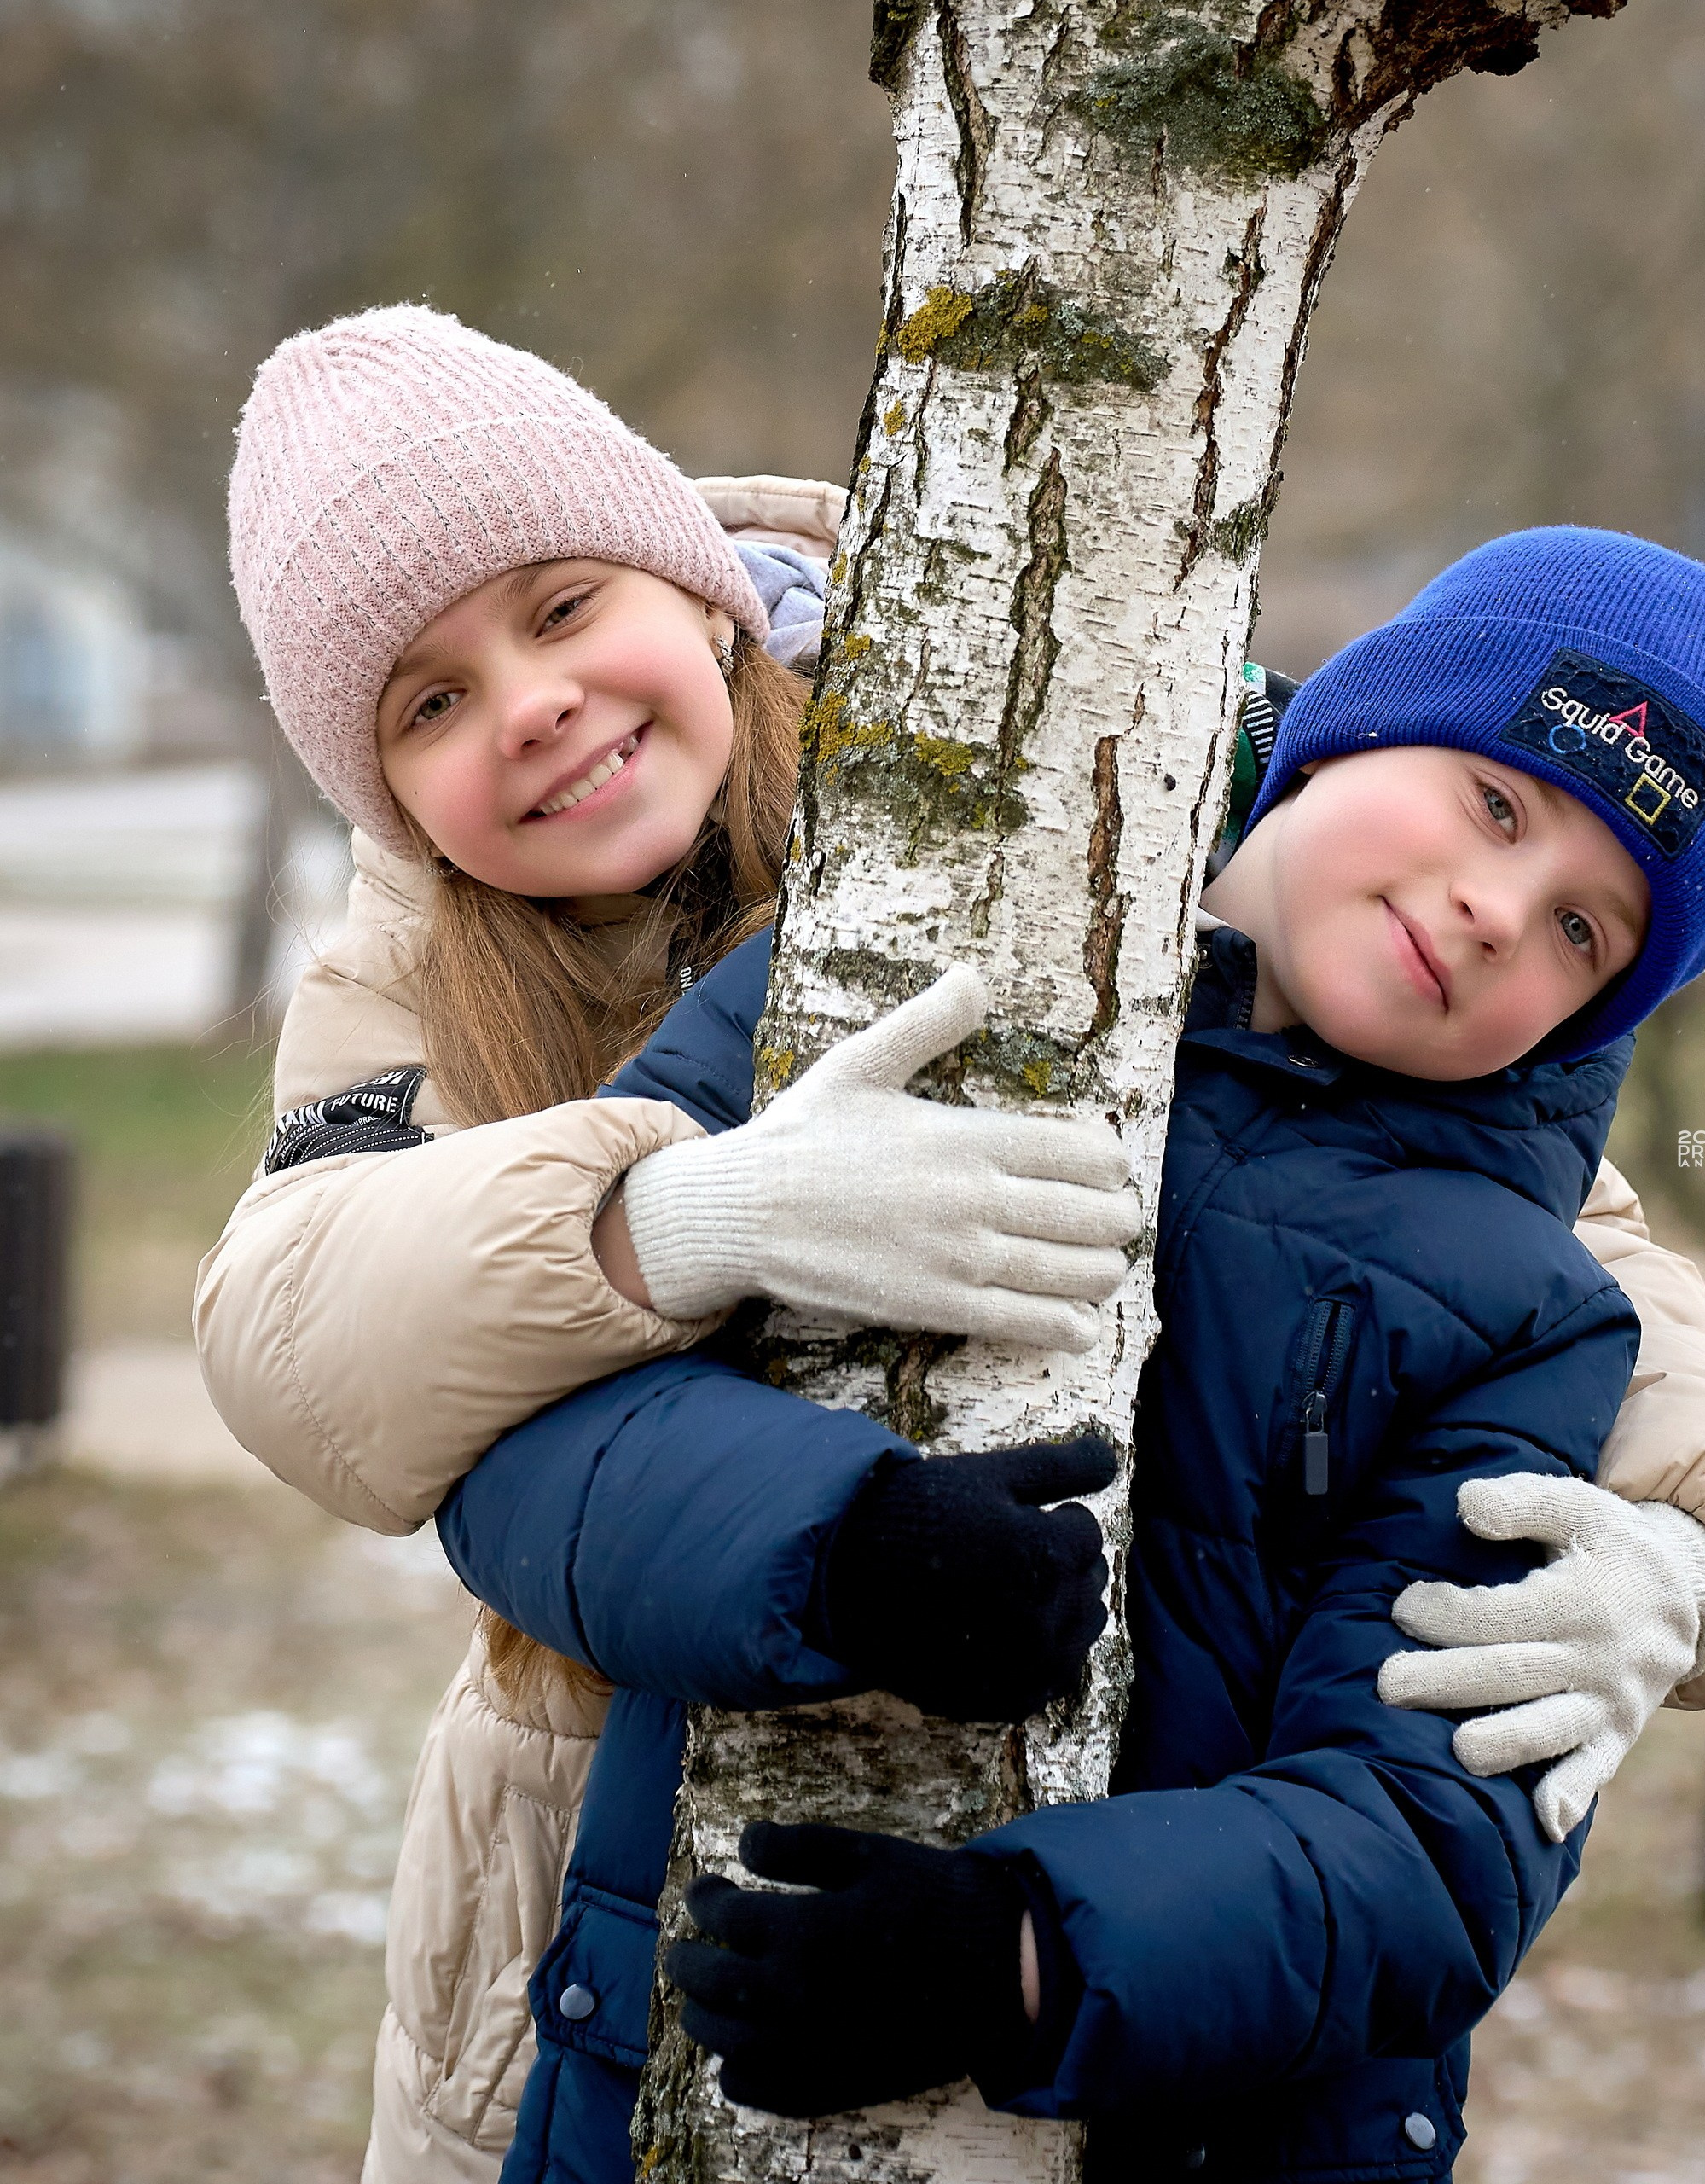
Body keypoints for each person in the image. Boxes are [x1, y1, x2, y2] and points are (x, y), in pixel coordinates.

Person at [443, 530, 1705, 2183]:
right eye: (1498, 805)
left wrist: (1022, 1956)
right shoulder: (893, 968)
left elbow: (1438, 1831)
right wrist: (837, 1546)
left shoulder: (1527, 1315)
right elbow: (527, 1433)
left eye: (1585, 931)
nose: (1495, 910)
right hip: (673, 2080)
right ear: (1355, 728)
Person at [194, 305, 1141, 2184]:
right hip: (562, 1859)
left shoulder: (1028, 733)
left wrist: (1688, 1542)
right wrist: (678, 1216)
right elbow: (287, 1331)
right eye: (428, 706)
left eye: (560, 609)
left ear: (703, 593)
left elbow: (1480, 1157)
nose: (528, 705)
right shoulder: (407, 966)